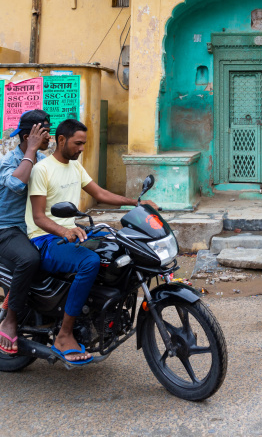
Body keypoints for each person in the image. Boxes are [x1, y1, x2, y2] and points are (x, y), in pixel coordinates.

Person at [27, 118, 158, 365]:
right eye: (78, 143)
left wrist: (136, 203)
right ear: (62, 140)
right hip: (44, 239)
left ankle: (103, 311)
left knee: (120, 244)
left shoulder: (75, 167)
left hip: (71, 232)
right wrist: (64, 232)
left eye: (84, 144)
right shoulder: (42, 170)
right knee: (89, 262)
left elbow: (99, 193)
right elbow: (38, 217)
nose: (82, 149)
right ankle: (64, 335)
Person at [0, 110, 51, 355]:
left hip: (34, 227)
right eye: (43, 133)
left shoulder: (42, 160)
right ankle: (10, 319)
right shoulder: (9, 161)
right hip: (7, 229)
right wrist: (30, 150)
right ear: (27, 135)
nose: (48, 137)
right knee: (29, 259)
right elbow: (17, 184)